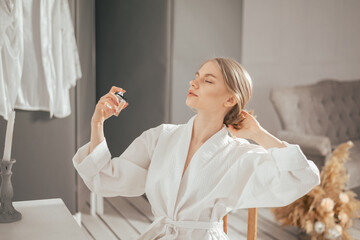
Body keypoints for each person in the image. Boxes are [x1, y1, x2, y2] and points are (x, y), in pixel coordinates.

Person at [72, 57, 321, 239]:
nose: (194, 82)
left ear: (230, 99)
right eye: (197, 75)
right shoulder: (162, 137)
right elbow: (104, 179)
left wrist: (258, 134)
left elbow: (303, 177)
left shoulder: (239, 154)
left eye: (207, 80)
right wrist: (97, 122)